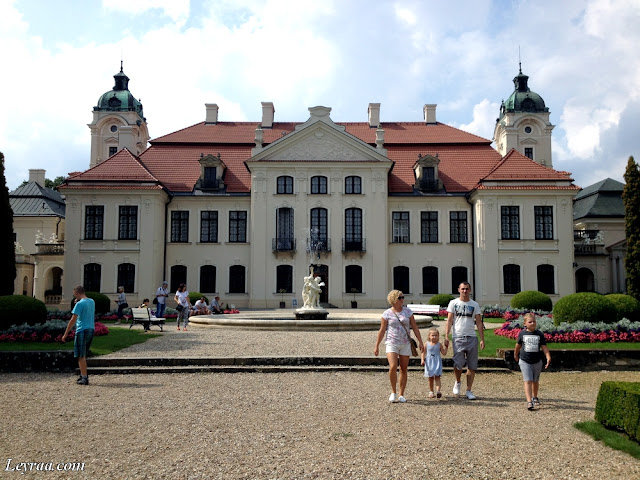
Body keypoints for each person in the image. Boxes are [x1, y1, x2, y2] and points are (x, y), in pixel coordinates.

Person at [374, 290, 424, 403]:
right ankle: (393, 391)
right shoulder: (386, 313)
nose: (402, 299)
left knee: (403, 369)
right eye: (400, 297)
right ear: (394, 300)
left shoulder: (408, 312)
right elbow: (382, 330)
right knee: (392, 366)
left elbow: (415, 327)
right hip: (392, 342)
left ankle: (401, 394)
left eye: (402, 297)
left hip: (405, 342)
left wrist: (420, 341)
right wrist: (376, 345)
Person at [444, 281, 485, 400]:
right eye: (463, 289)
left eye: (467, 289)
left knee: (472, 366)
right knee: (458, 364)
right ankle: (457, 381)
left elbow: (478, 322)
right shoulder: (453, 303)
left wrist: (482, 339)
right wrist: (447, 335)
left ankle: (469, 390)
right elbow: (449, 320)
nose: (465, 291)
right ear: (459, 290)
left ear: (470, 290)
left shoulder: (474, 304)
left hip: (472, 336)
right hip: (458, 337)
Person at [514, 312, 551, 410]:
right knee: (528, 381)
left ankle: (535, 397)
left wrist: (548, 357)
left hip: (537, 361)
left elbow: (544, 347)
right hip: (525, 360)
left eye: (534, 321)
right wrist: (515, 354)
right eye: (530, 322)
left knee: (535, 381)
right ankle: (529, 401)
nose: (533, 323)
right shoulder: (522, 333)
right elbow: (518, 345)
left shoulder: (539, 334)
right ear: (525, 323)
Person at [62, 285, 96, 386]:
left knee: (81, 355)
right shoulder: (92, 301)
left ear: (77, 293)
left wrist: (65, 334)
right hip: (91, 328)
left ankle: (84, 377)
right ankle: (82, 374)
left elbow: (73, 319)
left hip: (82, 330)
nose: (74, 296)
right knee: (84, 353)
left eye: (74, 294)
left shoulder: (79, 304)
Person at [421, 327, 448, 398]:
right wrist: (422, 359)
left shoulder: (439, 344)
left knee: (437, 377)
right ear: (429, 336)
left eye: (436, 335)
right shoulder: (426, 344)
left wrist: (446, 347)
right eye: (433, 335)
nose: (434, 337)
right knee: (430, 378)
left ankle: (438, 391)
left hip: (437, 362)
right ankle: (431, 391)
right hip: (429, 362)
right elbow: (423, 352)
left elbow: (444, 353)